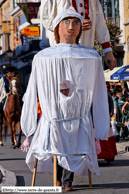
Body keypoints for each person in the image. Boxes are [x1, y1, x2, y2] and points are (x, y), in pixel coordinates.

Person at [21, 9, 110, 191]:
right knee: (57, 145)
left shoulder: (91, 56)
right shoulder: (43, 57)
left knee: (73, 146)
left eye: (76, 23)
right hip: (55, 116)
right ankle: (58, 179)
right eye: (66, 22)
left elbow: (99, 92)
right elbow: (32, 92)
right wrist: (28, 125)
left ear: (81, 29)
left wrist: (101, 127)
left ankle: (67, 181)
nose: (71, 27)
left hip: (78, 115)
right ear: (57, 28)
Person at [41, 0, 116, 70]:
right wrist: (75, 26)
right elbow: (46, 20)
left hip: (86, 55)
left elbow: (100, 24)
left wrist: (108, 50)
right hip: (62, 55)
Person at [0, 66, 16, 146]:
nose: (13, 74)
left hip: (11, 95)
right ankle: (1, 116)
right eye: (12, 73)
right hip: (4, 95)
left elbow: (14, 87)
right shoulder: (2, 79)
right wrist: (5, 93)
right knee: (1, 103)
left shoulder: (13, 79)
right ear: (8, 73)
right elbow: (2, 88)